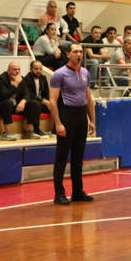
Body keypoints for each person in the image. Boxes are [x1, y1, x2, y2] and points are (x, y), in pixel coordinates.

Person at [47, 43, 96, 205]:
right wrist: (58, 123)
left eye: (81, 51)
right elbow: (52, 101)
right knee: (61, 157)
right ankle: (59, 194)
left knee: (78, 157)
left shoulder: (85, 73)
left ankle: (77, 192)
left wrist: (92, 121)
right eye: (75, 51)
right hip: (66, 115)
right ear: (68, 54)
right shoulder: (59, 74)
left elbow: (88, 98)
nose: (79, 54)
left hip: (81, 116)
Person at [16, 60, 51, 139]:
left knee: (57, 104)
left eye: (40, 69)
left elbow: (46, 93)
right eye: (36, 69)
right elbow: (30, 95)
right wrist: (43, 101)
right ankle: (34, 129)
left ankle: (55, 130)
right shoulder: (25, 80)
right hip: (27, 104)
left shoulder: (43, 78)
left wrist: (50, 102)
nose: (38, 71)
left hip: (39, 103)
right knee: (36, 104)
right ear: (31, 69)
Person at [0, 61, 23, 141]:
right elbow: (5, 96)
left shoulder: (21, 79)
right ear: (8, 71)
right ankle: (7, 131)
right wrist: (16, 83)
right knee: (8, 102)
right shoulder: (1, 79)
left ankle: (29, 130)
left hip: (15, 106)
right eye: (14, 69)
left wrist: (24, 101)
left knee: (34, 104)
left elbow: (27, 93)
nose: (17, 72)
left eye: (19, 69)